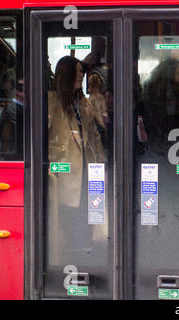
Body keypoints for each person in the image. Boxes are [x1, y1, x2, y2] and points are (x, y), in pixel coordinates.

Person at [47, 55, 106, 262]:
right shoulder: (52, 100)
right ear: (66, 74)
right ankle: (68, 261)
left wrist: (101, 164)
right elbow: (45, 137)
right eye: (78, 71)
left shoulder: (82, 101)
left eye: (82, 71)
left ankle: (83, 259)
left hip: (87, 171)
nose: (81, 76)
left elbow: (94, 137)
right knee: (67, 217)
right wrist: (52, 162)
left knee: (87, 216)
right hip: (64, 172)